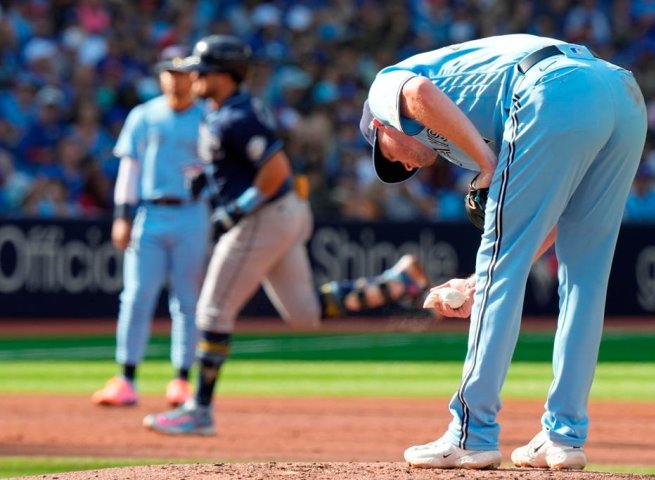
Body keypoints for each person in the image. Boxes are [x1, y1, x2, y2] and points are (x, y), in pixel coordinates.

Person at [360, 34, 647, 470]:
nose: (401, 167)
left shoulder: (383, 90)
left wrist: (487, 167)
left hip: (553, 86)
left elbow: (415, 92)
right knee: (584, 277)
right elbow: (552, 219)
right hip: (620, 95)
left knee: (515, 269)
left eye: (388, 157)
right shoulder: (463, 131)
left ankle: (471, 434)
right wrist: (482, 281)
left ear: (381, 127)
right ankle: (564, 437)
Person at [142, 35, 428, 435]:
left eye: (202, 70)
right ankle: (394, 283)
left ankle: (199, 411)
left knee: (212, 311)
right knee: (305, 314)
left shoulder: (234, 116)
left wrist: (235, 209)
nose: (195, 76)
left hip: (265, 214)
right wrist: (208, 183)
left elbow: (275, 170)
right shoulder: (227, 109)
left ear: (225, 75)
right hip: (284, 211)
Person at [91, 46, 210, 407]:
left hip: (193, 213)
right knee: (136, 297)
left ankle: (181, 380)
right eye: (170, 73)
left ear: (195, 76)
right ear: (160, 77)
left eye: (183, 73)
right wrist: (122, 217)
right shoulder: (143, 115)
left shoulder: (207, 116)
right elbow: (129, 170)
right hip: (151, 212)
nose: (176, 80)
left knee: (188, 300)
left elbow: (219, 169)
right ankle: (126, 378)